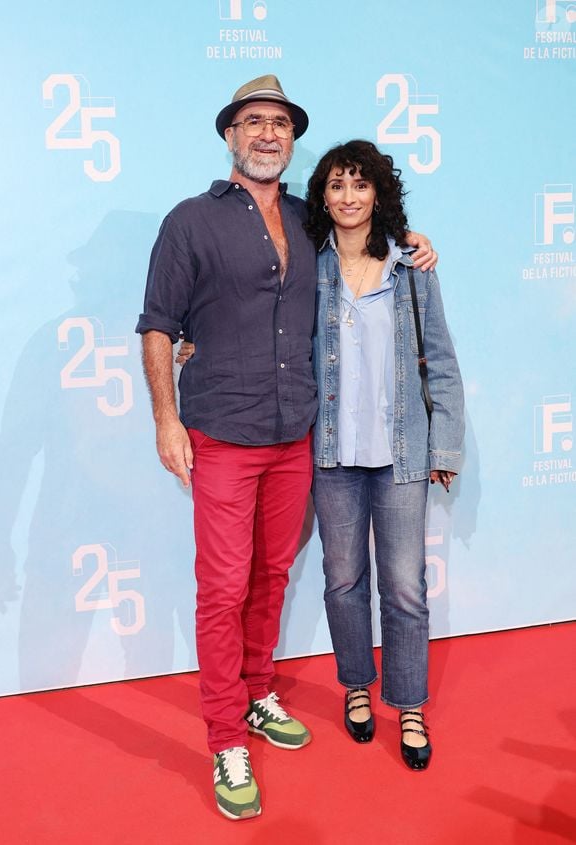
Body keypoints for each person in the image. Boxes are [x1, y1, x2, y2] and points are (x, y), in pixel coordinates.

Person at [137, 76, 437, 820]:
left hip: (297, 435)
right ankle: (224, 736)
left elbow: (368, 244)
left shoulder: (309, 221)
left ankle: (257, 690)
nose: (267, 133)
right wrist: (166, 419)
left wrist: (414, 244)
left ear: (293, 139)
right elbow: (158, 325)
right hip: (220, 434)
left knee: (271, 574)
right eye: (253, 121)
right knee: (223, 588)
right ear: (230, 135)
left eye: (279, 122)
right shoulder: (189, 221)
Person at [306, 140, 464, 770]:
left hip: (401, 455)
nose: (349, 197)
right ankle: (355, 686)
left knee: (404, 587)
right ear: (323, 197)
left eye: (360, 184)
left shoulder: (411, 265)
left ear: (378, 193)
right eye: (337, 185)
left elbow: (440, 360)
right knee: (343, 581)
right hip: (332, 455)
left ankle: (410, 704)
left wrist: (444, 442)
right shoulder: (307, 265)